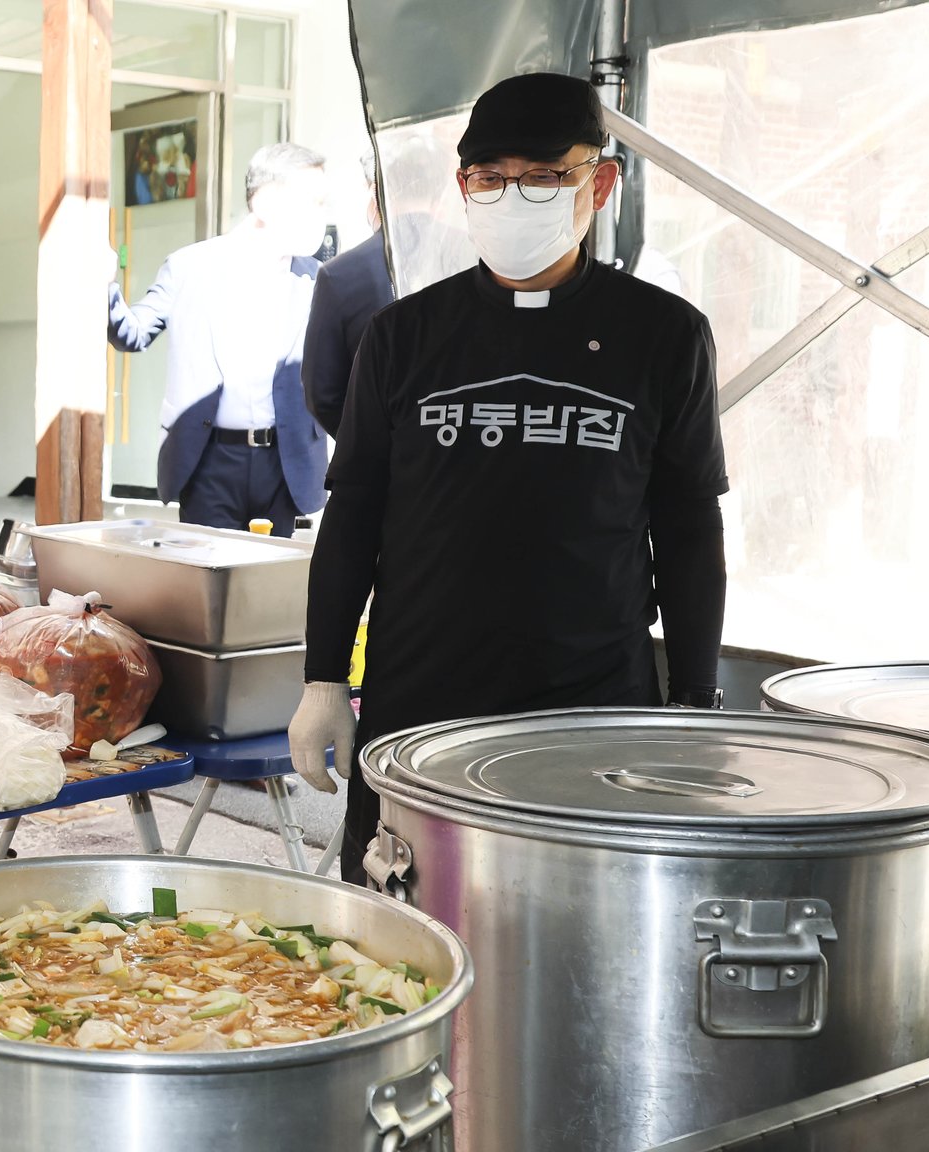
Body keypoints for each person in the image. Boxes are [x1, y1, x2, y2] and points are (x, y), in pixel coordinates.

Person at [286, 73, 728, 880]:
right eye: (490, 180)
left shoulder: (664, 336)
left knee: (574, 926)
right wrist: (323, 679)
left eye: (544, 177)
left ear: (600, 183)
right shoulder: (403, 335)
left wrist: (695, 701)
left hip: (592, 703)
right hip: (420, 694)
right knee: (401, 927)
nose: (511, 196)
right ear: (463, 189)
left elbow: (691, 524)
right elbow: (352, 513)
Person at [107, 142, 331, 536]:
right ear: (264, 203)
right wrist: (102, 284)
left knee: (267, 584)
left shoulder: (318, 278)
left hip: (285, 462)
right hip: (209, 460)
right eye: (312, 202)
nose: (321, 215)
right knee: (209, 584)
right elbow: (133, 333)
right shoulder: (190, 267)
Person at [303, 153, 398, 438]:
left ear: (374, 191)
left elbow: (322, 393)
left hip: (377, 465)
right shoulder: (469, 262)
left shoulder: (340, 274)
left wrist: (366, 447)